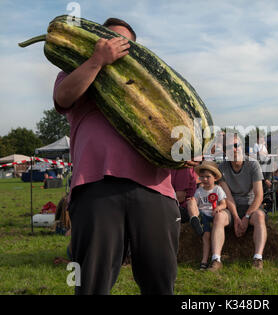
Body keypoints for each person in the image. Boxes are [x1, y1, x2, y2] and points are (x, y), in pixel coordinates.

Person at [53, 18, 183, 295]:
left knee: (160, 282)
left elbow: (180, 126)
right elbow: (63, 98)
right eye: (108, 39)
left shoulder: (154, 85)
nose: (115, 46)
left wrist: (188, 150)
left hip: (155, 190)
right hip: (95, 187)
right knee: (90, 283)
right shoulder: (76, 68)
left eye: (124, 43)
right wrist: (97, 61)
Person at [211, 135, 267, 271]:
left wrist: (247, 217)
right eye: (230, 147)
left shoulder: (253, 164)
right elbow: (227, 196)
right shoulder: (222, 167)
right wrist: (236, 218)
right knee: (218, 217)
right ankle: (216, 260)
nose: (235, 149)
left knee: (259, 217)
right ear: (225, 151)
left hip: (251, 206)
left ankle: (258, 258)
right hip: (231, 207)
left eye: (237, 145)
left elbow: (259, 195)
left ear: (242, 146)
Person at [190, 161, 227, 270]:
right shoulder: (199, 191)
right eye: (202, 177)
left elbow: (224, 203)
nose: (205, 179)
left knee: (214, 229)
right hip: (204, 216)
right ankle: (204, 260)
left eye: (208, 177)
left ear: (215, 178)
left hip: (214, 214)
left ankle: (212, 258)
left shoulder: (218, 189)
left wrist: (218, 208)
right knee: (206, 236)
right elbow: (195, 204)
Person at [171, 168, 203, 236]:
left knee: (191, 201)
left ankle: (194, 219)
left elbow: (180, 197)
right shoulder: (185, 169)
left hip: (174, 207)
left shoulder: (182, 169)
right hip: (182, 208)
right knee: (191, 201)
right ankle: (194, 218)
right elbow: (180, 197)